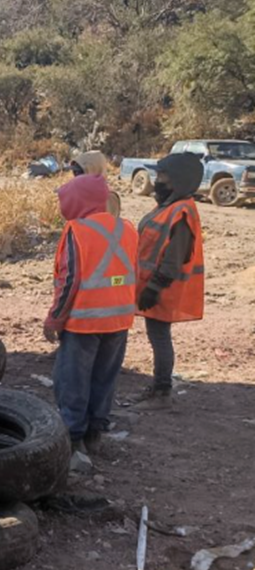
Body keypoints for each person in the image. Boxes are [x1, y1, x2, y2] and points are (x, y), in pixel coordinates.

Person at [44, 174, 137, 461]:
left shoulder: (77, 230)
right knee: (104, 378)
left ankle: (73, 440)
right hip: (119, 320)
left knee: (73, 380)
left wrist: (54, 319)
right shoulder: (127, 228)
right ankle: (94, 433)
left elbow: (69, 280)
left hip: (84, 321)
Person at [135, 153, 205, 411]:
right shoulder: (169, 206)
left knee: (160, 337)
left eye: (162, 175)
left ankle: (162, 392)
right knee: (158, 336)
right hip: (154, 285)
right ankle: (159, 388)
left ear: (177, 180)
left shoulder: (180, 212)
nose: (157, 180)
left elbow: (173, 259)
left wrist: (154, 288)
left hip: (162, 289)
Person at [71, 151, 121, 217]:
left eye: (81, 172)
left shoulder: (109, 197)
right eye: (76, 173)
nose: (77, 177)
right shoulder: (75, 193)